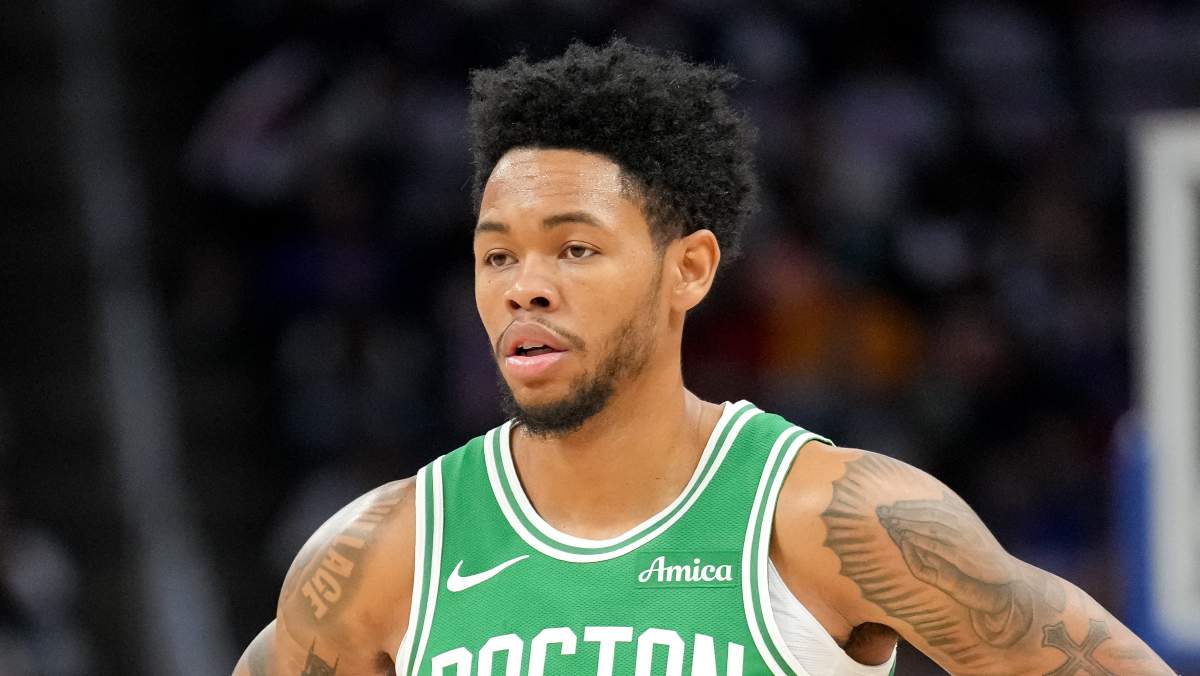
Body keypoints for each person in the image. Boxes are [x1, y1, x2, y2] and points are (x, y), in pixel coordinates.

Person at [233, 39, 1175, 676]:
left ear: (688, 269)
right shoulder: (381, 555)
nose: (525, 287)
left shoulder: (835, 517)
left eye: (574, 248)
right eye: (497, 256)